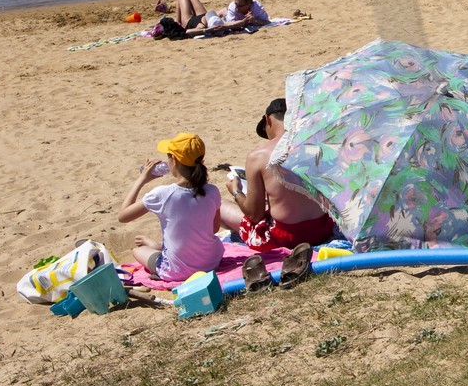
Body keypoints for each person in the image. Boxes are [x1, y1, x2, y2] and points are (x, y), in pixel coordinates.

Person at [219, 98, 338, 250]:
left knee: (220, 206)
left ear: (268, 120)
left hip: (286, 237)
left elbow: (255, 215)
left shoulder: (258, 156)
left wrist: (236, 192)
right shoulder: (317, 145)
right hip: (322, 230)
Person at [118, 132, 223, 283]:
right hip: (211, 263)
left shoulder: (163, 194)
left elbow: (123, 216)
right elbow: (214, 229)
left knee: (138, 251)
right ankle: (158, 246)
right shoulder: (212, 190)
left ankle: (156, 246)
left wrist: (141, 180)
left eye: (168, 156)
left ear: (174, 160)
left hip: (177, 271)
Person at [173, 0, 270, 34]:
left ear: (249, 5)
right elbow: (231, 25)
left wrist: (253, 21)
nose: (235, 7)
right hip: (206, 15)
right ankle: (177, 22)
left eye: (239, 5)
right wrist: (247, 21)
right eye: (235, 3)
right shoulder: (232, 6)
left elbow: (267, 22)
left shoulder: (257, 7)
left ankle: (178, 22)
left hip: (191, 21)